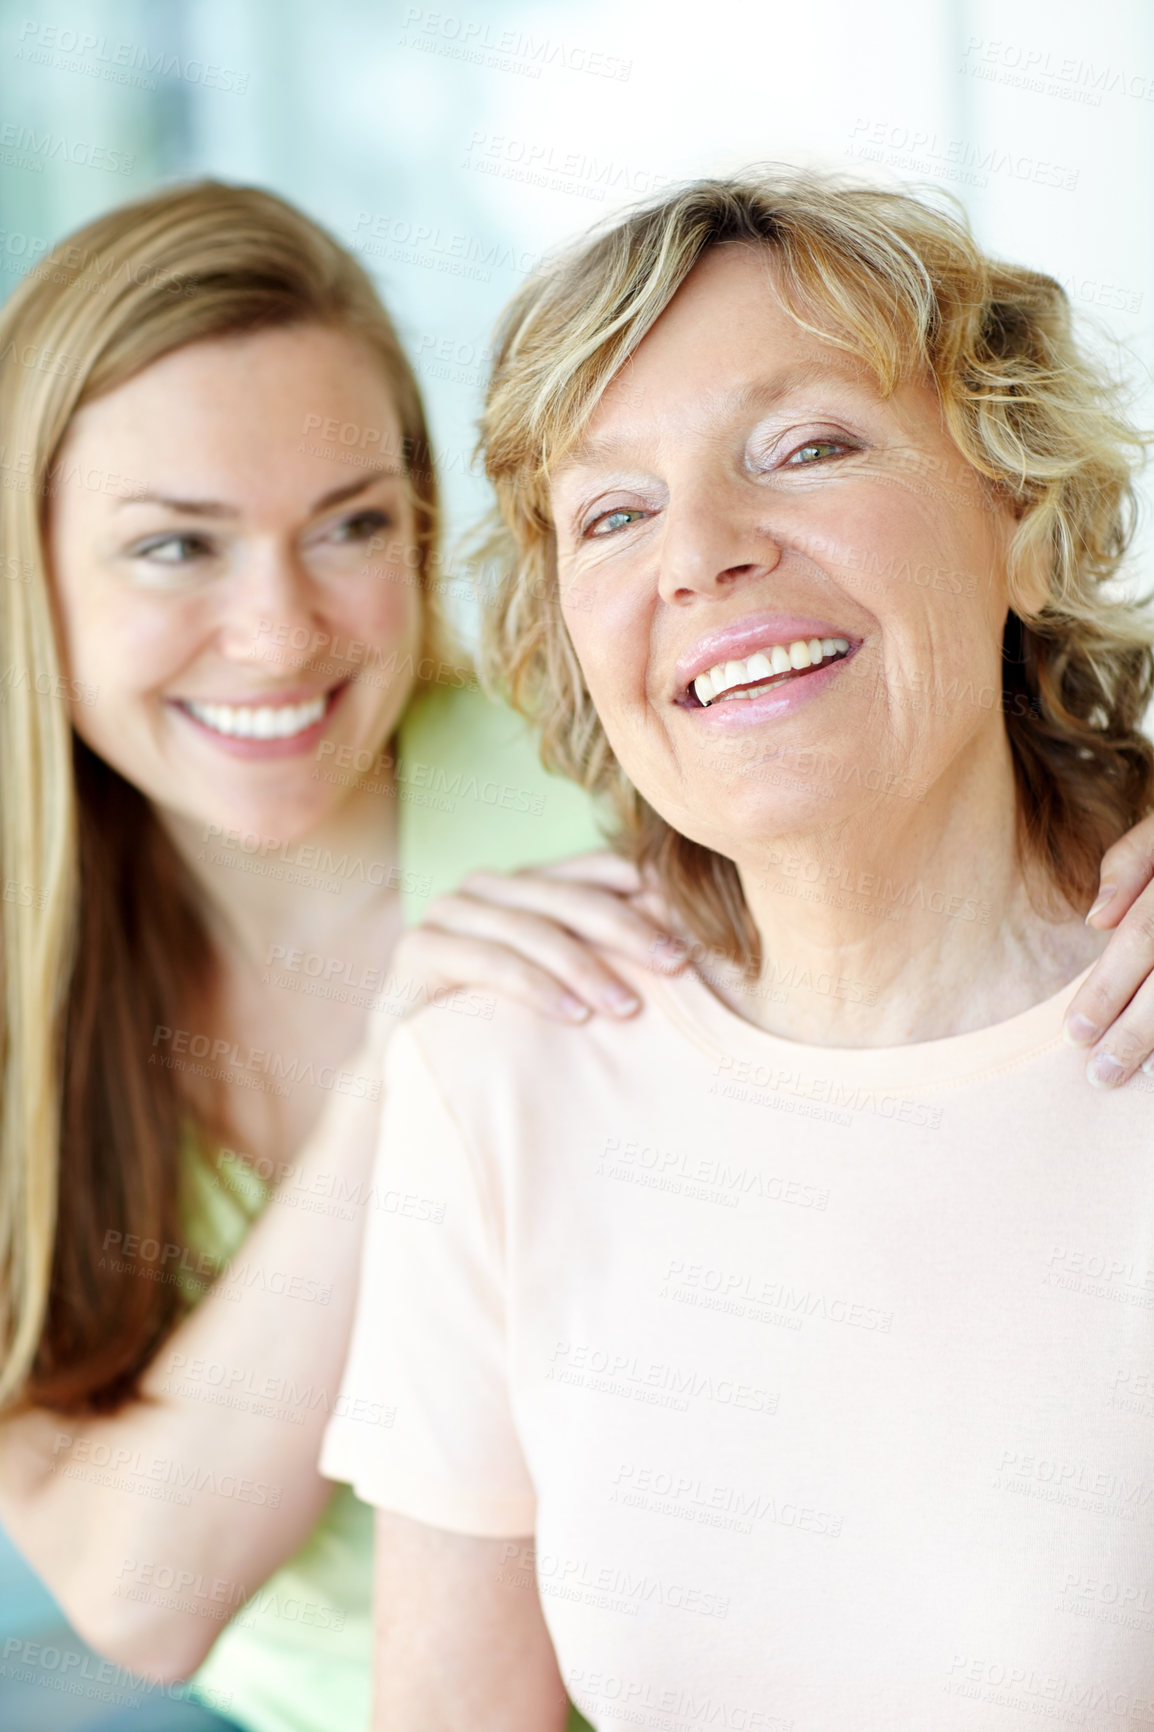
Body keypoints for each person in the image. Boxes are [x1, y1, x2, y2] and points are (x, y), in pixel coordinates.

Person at [320, 171, 1154, 1729]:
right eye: (615, 512)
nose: (698, 555)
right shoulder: (498, 1076)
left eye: (808, 448)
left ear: (1022, 525)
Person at [0, 181, 671, 1732]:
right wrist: (400, 1089)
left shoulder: (602, 781)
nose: (280, 631)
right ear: (31, 569)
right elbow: (142, 1594)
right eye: (178, 547)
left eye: (351, 526)